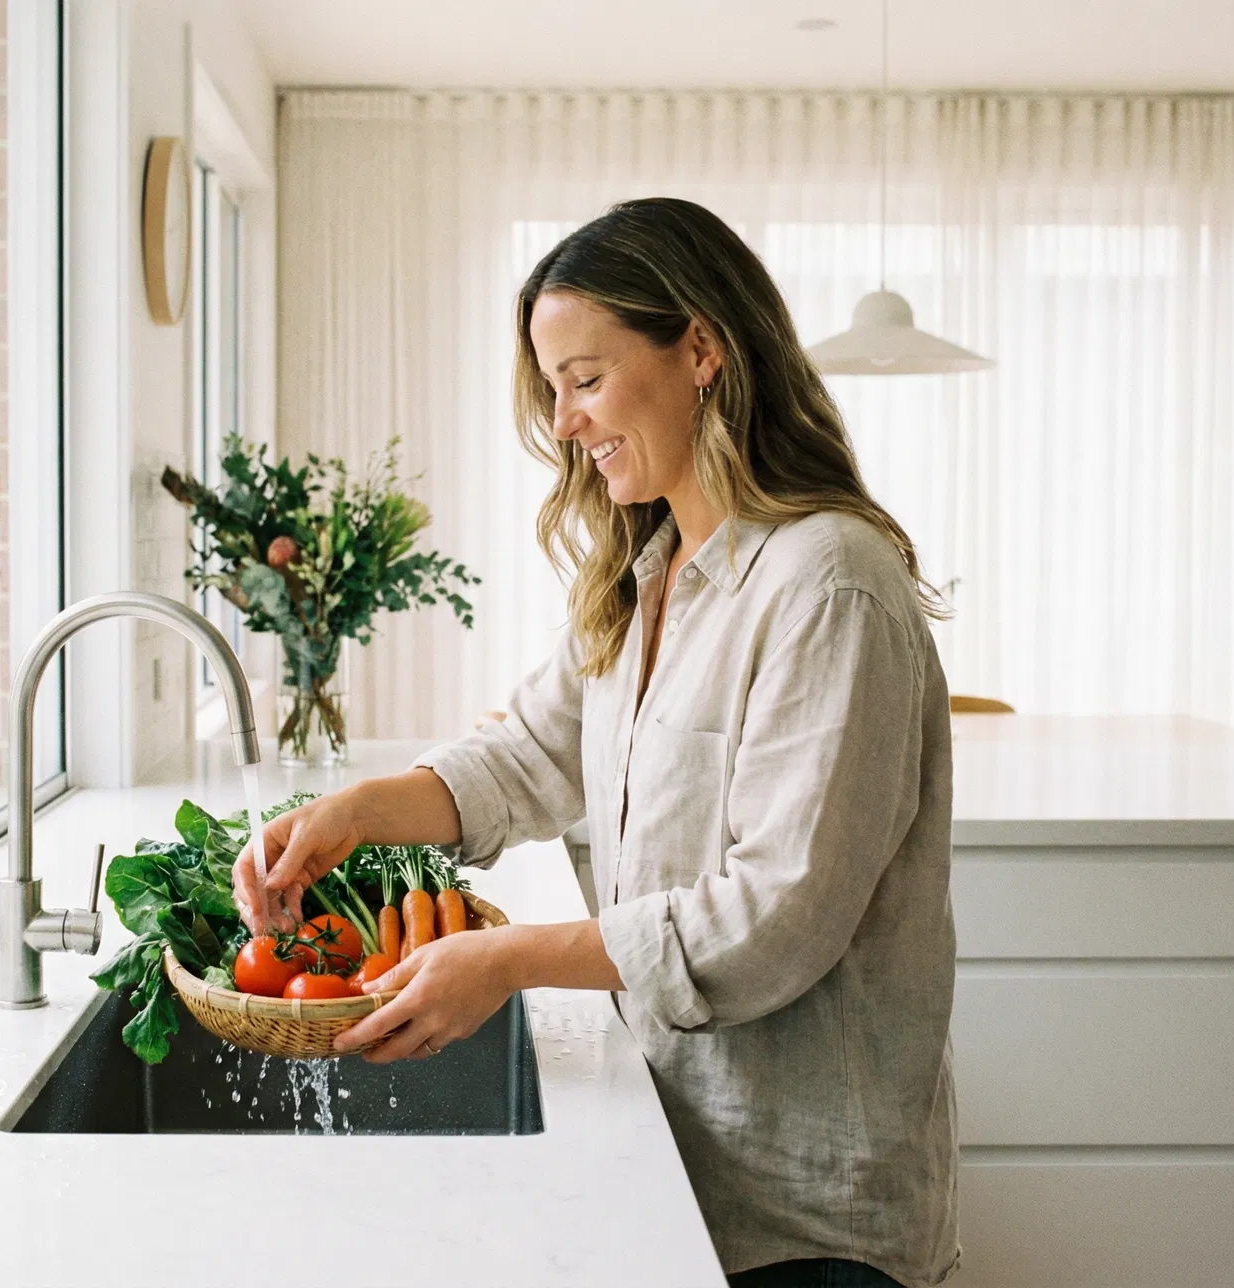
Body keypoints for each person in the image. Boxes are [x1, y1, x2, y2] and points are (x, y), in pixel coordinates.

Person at [236, 197, 959, 1288]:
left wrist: (512, 961)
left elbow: (775, 918)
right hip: (678, 1156)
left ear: (702, 350)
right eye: (553, 389)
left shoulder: (828, 585)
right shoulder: (650, 573)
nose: (565, 423)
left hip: (807, 1216)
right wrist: (353, 814)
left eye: (585, 378)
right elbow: (527, 755)